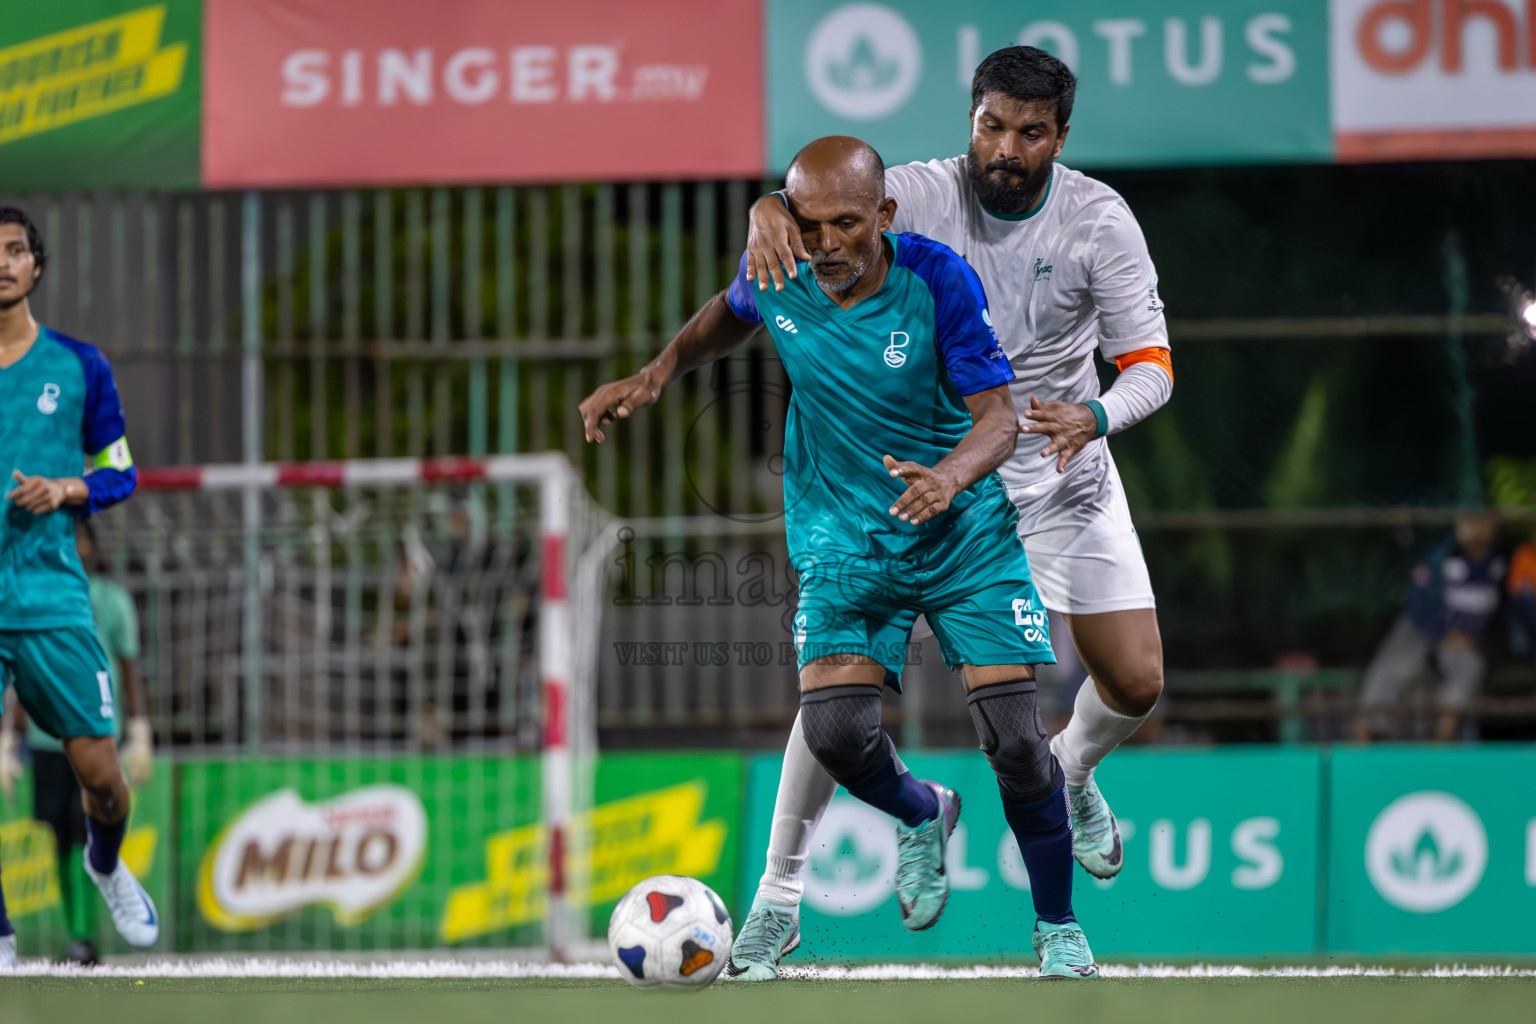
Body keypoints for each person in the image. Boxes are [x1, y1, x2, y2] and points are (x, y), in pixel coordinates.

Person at [580, 137, 1098, 980]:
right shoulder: (780, 267)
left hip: (962, 531)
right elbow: (727, 311)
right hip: (842, 539)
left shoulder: (936, 282)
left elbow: (1000, 419)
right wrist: (657, 372)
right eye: (808, 223)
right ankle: (924, 811)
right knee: (836, 732)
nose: (825, 244)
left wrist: (951, 476)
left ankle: (1058, 928)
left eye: (846, 225)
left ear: (884, 216)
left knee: (1012, 738)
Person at [732, 46, 1172, 976]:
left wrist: (1093, 416)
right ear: (970, 118)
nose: (1006, 147)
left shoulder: (1100, 221)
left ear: (1060, 137)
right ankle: (776, 897)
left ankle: (1076, 769)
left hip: (1056, 466)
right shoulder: (921, 194)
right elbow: (821, 202)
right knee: (831, 701)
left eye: (1030, 131)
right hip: (930, 479)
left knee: (1135, 682)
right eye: (991, 124)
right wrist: (768, 209)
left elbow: (1153, 369)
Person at [0, 206, 157, 967]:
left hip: (52, 598)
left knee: (103, 781)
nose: (2, 263)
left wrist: (66, 489)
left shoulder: (79, 366)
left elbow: (121, 471)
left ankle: (104, 863)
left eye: (15, 250)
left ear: (37, 265)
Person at [0, 520, 152, 965]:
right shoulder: (24, 594)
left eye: (81, 539)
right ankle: (77, 936)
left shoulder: (111, 599)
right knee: (58, 840)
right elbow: (22, 669)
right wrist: (10, 737)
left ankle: (98, 894)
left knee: (91, 822)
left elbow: (129, 667)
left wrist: (140, 729)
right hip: (46, 741)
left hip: (94, 729)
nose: (78, 547)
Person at [1355, 511, 1507, 741]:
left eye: (1483, 523)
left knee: (1470, 668)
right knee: (1388, 672)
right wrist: (1445, 633)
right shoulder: (1443, 555)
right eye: (1471, 522)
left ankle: (1442, 738)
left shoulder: (1498, 562)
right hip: (1422, 627)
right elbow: (1417, 603)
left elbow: (1492, 612)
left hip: (1461, 638)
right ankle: (1366, 736)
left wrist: (1470, 634)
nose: (1477, 529)